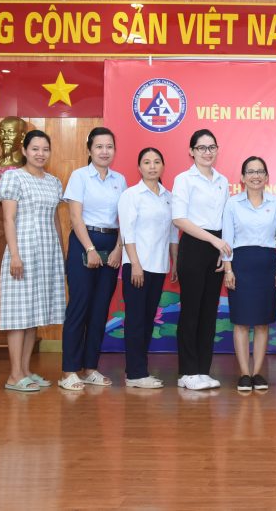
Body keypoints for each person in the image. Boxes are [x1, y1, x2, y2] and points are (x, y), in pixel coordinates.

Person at [0, 130, 65, 392]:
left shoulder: (54, 182)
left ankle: (25, 370)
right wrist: (15, 254)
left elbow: (55, 219)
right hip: (23, 251)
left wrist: (61, 252)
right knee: (18, 315)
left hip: (47, 253)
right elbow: (8, 219)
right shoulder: (14, 177)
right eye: (35, 149)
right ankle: (14, 375)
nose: (40, 154)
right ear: (24, 151)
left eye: (45, 149)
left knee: (33, 314)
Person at [59, 127, 127, 391]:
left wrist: (119, 248)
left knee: (100, 310)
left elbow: (125, 218)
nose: (104, 151)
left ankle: (90, 368)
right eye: (99, 146)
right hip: (84, 242)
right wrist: (89, 248)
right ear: (89, 150)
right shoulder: (79, 176)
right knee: (79, 307)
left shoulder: (120, 180)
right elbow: (75, 217)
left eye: (109, 146)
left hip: (111, 245)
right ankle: (69, 371)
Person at [171, 129, 231, 391]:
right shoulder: (184, 179)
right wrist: (213, 241)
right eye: (202, 147)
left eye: (211, 147)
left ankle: (203, 370)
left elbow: (226, 218)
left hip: (217, 248)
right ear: (191, 151)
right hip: (194, 245)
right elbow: (179, 219)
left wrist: (221, 249)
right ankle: (187, 372)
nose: (207, 152)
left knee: (209, 312)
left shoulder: (222, 181)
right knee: (191, 312)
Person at [222, 156, 276, 392]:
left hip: (268, 264)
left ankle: (257, 373)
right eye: (250, 171)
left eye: (260, 172)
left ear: (267, 177)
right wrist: (228, 269)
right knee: (240, 322)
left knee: (262, 322)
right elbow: (227, 239)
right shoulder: (232, 203)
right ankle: (244, 373)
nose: (255, 176)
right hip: (240, 264)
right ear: (242, 177)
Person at [118, 147, 179, 390]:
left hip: (159, 266)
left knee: (147, 320)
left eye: (156, 162)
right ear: (139, 167)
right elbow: (127, 233)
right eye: (146, 162)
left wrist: (174, 262)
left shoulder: (168, 196)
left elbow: (173, 233)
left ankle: (138, 370)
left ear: (163, 166)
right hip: (137, 266)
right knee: (135, 320)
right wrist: (135, 264)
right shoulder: (131, 195)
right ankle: (135, 373)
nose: (152, 166)